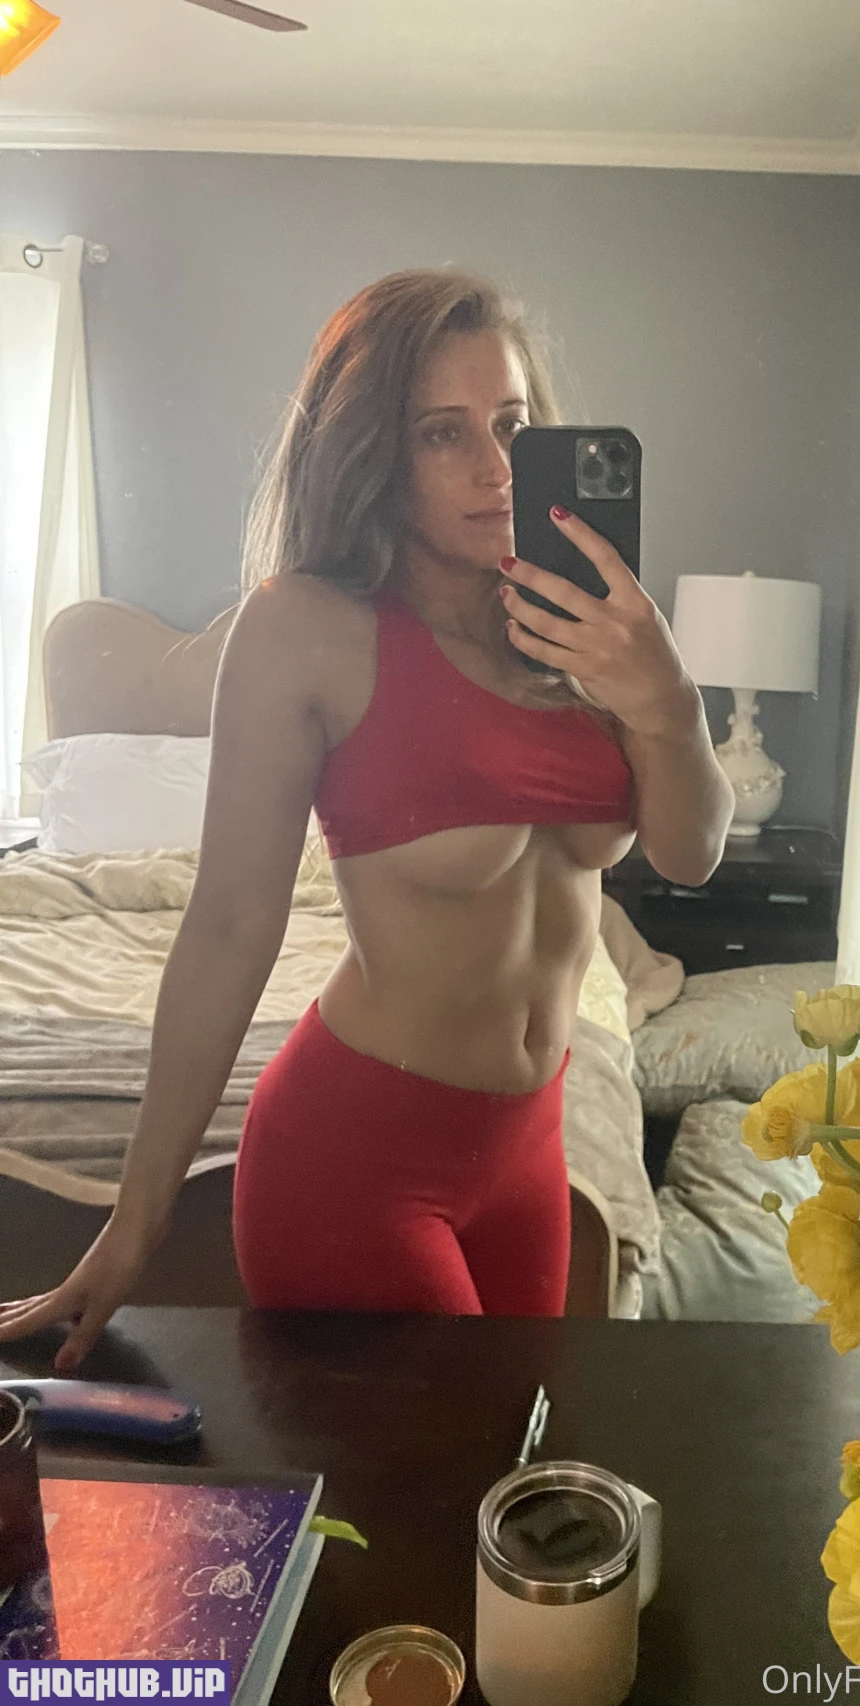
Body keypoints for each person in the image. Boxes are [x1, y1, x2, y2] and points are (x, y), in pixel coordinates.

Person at [0, 268, 734, 1369]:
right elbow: (228, 926)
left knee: (504, 1457)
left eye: (511, 423)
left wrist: (666, 696)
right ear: (371, 455)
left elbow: (690, 850)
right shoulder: (307, 630)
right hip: (355, 1158)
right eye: (443, 433)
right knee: (425, 1471)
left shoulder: (585, 624)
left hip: (529, 1150)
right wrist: (135, 1219)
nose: (494, 467)